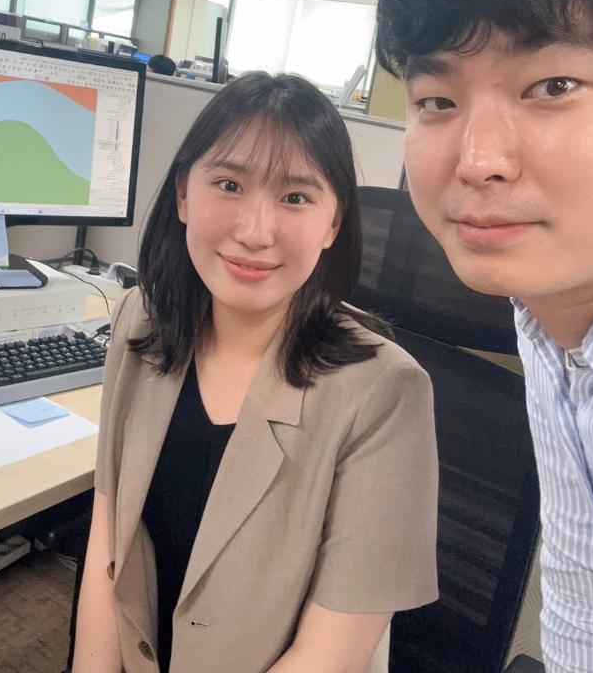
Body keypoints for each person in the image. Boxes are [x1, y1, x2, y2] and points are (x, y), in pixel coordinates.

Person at [73, 72, 438, 673]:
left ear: (333, 224)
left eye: (295, 198)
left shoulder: (385, 394)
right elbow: (106, 538)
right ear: (184, 194)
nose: (254, 232)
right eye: (229, 184)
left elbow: (327, 657)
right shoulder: (143, 319)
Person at [375, 0, 593, 672]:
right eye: (437, 100)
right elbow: (582, 593)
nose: (477, 161)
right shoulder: (547, 319)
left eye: (552, 87)